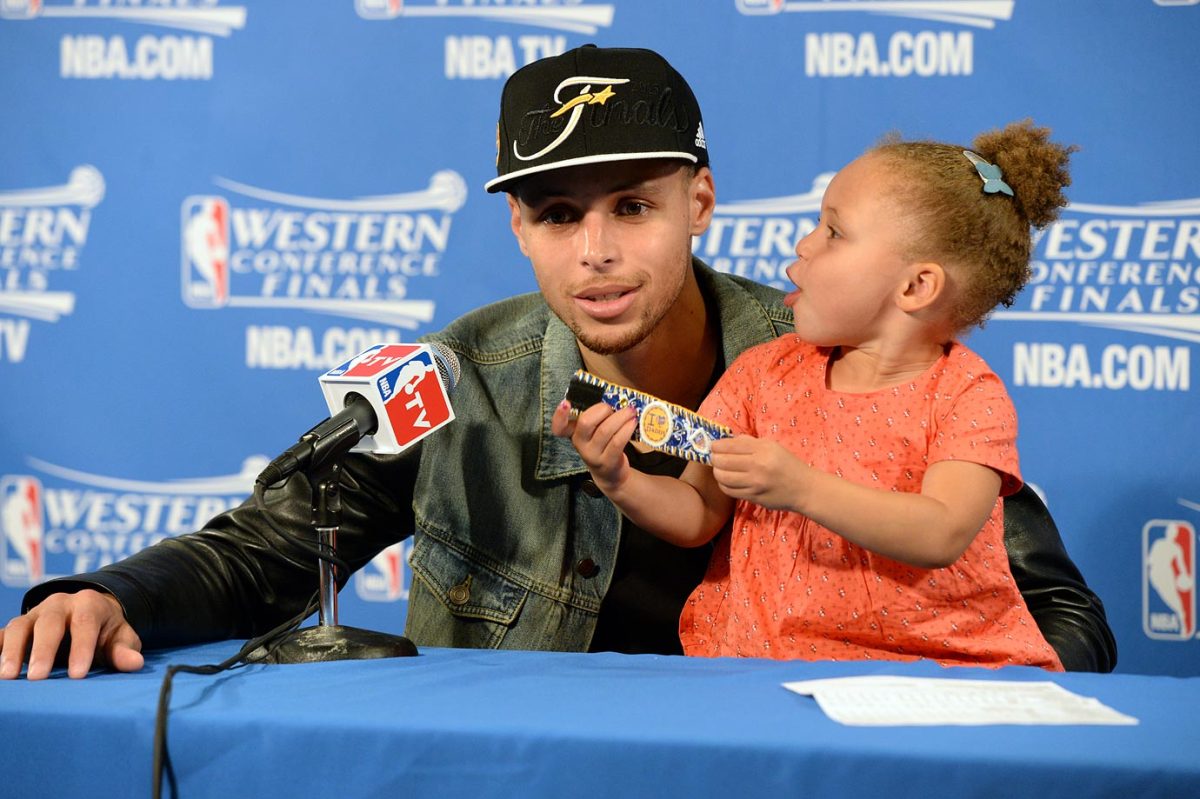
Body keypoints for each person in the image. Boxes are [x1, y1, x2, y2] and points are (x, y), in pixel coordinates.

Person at [0, 46, 1113, 681]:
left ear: (701, 204)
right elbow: (274, 549)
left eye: (634, 206)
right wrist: (107, 592)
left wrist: (893, 695)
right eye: (555, 213)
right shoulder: (453, 370)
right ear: (520, 230)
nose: (598, 251)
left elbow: (1058, 616)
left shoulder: (849, 354)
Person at [557, 121, 1075, 669]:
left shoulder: (967, 394)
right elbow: (698, 513)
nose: (803, 243)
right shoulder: (763, 373)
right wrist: (619, 480)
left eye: (834, 232)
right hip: (762, 669)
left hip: (935, 674)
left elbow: (942, 531)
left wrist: (800, 487)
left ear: (916, 287)